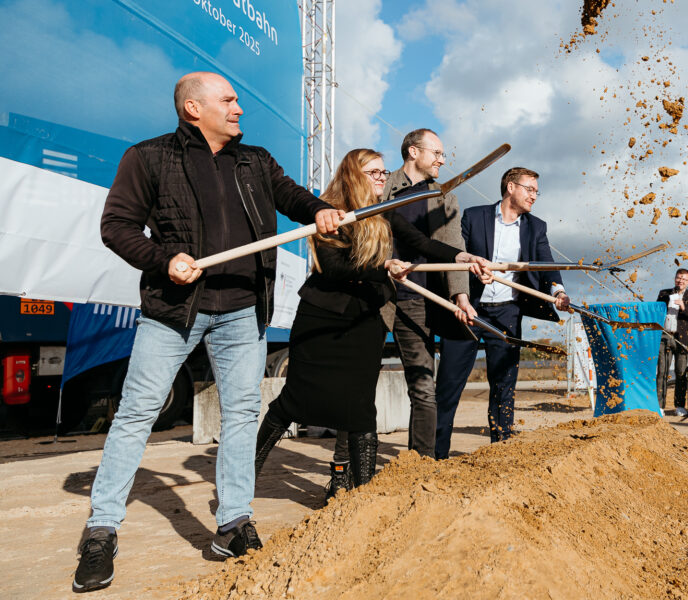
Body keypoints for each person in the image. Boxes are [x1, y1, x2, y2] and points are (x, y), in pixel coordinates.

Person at [74, 72, 344, 593]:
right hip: (176, 309)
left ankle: (234, 523)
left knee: (242, 413)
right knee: (137, 414)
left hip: (243, 310)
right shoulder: (149, 157)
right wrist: (162, 258)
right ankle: (102, 529)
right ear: (194, 108)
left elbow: (293, 197)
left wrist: (321, 211)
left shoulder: (255, 161)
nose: (239, 108)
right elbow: (117, 226)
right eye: (229, 100)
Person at [252, 149, 490, 500]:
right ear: (353, 174)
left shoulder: (384, 213)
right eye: (374, 173)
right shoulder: (328, 210)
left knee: (360, 407)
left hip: (366, 320)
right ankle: (246, 476)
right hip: (323, 317)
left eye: (383, 172)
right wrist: (384, 268)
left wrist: (461, 258)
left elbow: (421, 243)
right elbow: (332, 266)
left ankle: (361, 499)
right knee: (293, 400)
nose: (382, 178)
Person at [321, 129, 473, 496]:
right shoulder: (379, 182)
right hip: (373, 292)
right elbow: (344, 216)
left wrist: (461, 295)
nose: (441, 160)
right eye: (435, 153)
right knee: (358, 383)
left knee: (423, 384)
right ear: (413, 151)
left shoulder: (443, 197)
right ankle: (343, 472)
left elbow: (448, 245)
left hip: (416, 297)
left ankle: (419, 469)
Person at [433, 167, 570, 459]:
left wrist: (557, 292)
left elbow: (546, 265)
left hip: (508, 313)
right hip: (468, 309)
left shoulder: (536, 226)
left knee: (504, 386)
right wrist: (468, 283)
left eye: (536, 190)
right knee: (449, 384)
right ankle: (436, 455)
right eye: (529, 189)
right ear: (510, 187)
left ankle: (501, 454)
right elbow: (457, 258)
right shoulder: (474, 216)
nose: (534, 195)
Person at [656, 268, 688, 416]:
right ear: (675, 279)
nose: (680, 281)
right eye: (678, 278)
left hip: (682, 339)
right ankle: (659, 406)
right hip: (665, 337)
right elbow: (656, 311)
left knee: (681, 373)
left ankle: (680, 405)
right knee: (662, 372)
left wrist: (683, 307)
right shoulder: (664, 293)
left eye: (683, 279)